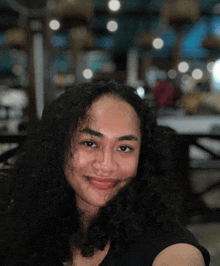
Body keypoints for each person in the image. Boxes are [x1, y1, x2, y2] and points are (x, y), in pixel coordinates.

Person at [0, 80, 210, 266]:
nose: (106, 165)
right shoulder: (21, 229)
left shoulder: (173, 249)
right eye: (90, 143)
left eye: (124, 147)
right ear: (59, 148)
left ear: (143, 158)